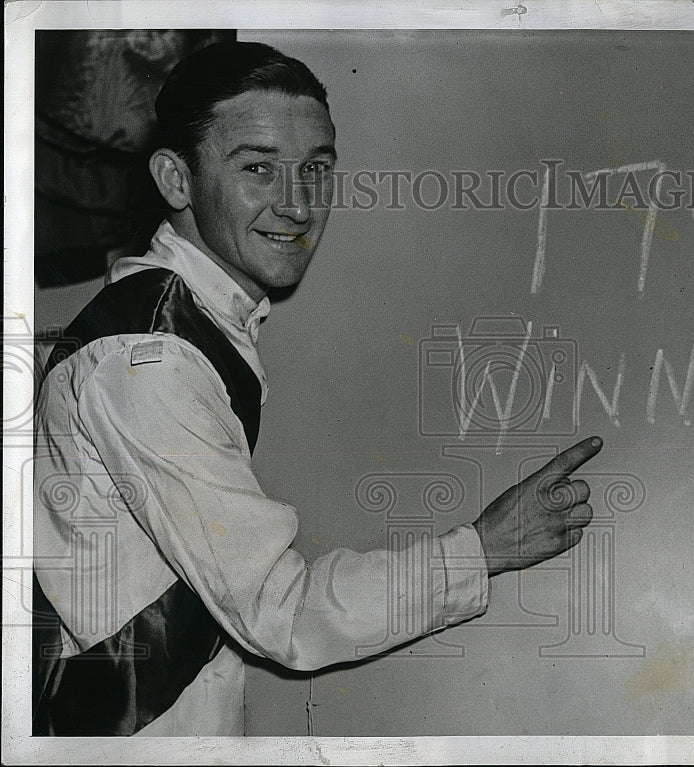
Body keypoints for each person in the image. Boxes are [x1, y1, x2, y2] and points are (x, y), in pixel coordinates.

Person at [32, 40, 602, 737]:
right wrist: (484, 547)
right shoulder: (149, 360)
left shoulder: (195, 327)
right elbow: (283, 611)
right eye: (259, 168)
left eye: (316, 170)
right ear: (176, 180)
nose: (298, 205)